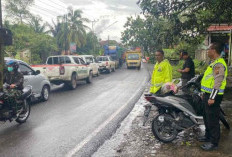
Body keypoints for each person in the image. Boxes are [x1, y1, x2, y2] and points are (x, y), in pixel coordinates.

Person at [199, 42, 227, 151]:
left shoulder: (218, 64)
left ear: (213, 51)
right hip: (207, 95)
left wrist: (212, 97)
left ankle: (214, 143)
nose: (207, 51)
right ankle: (208, 136)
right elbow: (208, 81)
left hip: (213, 96)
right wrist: (203, 94)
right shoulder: (213, 63)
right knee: (206, 117)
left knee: (213, 120)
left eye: (208, 49)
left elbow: (218, 83)